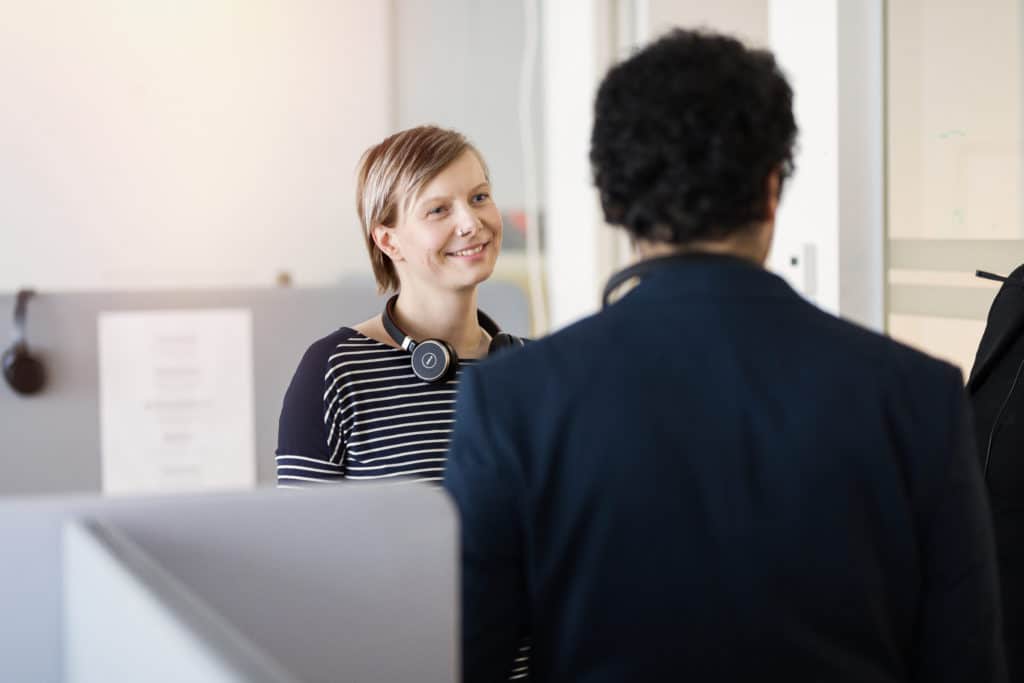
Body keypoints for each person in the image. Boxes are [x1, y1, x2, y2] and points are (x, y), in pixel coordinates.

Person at [443, 29, 1006, 682]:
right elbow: (966, 660)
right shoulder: (916, 393)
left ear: (613, 200)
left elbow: (466, 657)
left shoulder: (514, 397)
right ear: (772, 188)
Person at [276, 125, 523, 487]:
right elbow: (301, 540)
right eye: (438, 210)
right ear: (389, 241)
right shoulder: (335, 372)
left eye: (479, 197)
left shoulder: (531, 370)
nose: (471, 223)